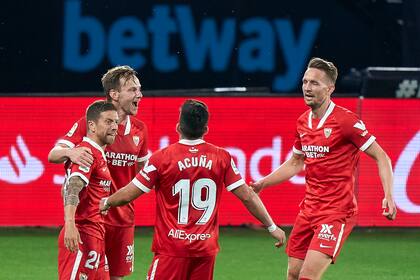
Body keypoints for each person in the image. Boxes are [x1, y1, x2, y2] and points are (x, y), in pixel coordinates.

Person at [99, 99, 287, 280]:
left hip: (172, 250)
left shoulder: (162, 159)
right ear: (205, 129)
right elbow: (247, 196)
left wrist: (107, 202)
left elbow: (130, 192)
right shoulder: (222, 158)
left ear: (178, 127)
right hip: (205, 251)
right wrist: (271, 226)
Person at [251, 57, 397, 280]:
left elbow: (382, 157)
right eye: (305, 82)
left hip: (336, 212)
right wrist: (263, 182)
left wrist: (388, 196)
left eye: (314, 83)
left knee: (307, 277)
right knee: (293, 273)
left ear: (330, 89)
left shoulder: (346, 121)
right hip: (308, 210)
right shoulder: (302, 122)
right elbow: (295, 163)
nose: (307, 88)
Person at [48, 66, 149, 280]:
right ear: (114, 94)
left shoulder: (140, 129)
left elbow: (142, 174)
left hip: (122, 219)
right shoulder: (89, 124)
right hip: (91, 220)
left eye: (139, 89)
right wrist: (70, 152)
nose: (139, 94)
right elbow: (53, 155)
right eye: (132, 90)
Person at [58, 101, 118, 279]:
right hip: (82, 235)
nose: (114, 127)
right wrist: (70, 224)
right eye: (108, 122)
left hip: (96, 235)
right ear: (91, 125)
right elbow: (72, 187)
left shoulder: (98, 154)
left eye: (116, 122)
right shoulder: (87, 153)